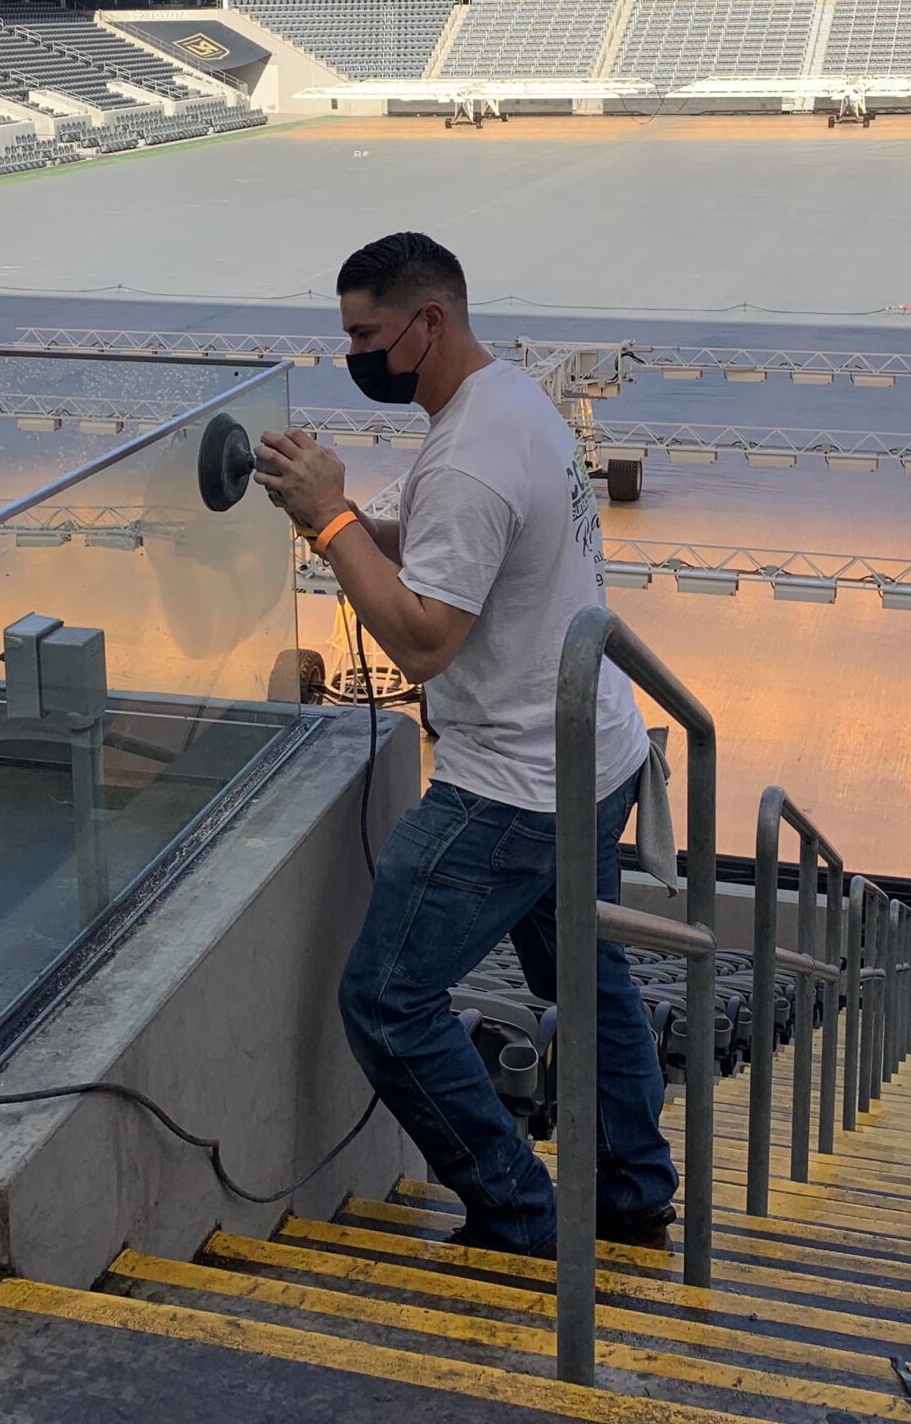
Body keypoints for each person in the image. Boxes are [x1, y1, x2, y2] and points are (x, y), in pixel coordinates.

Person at [253, 231, 676, 1257]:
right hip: (596, 749)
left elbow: (427, 640)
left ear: (426, 323)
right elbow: (460, 556)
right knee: (585, 977)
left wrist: (327, 528)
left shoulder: (472, 455)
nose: (354, 355)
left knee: (387, 1003)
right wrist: (345, 515)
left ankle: (519, 1215)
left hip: (513, 788)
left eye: (366, 334)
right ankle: (629, 1194)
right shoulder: (509, 403)